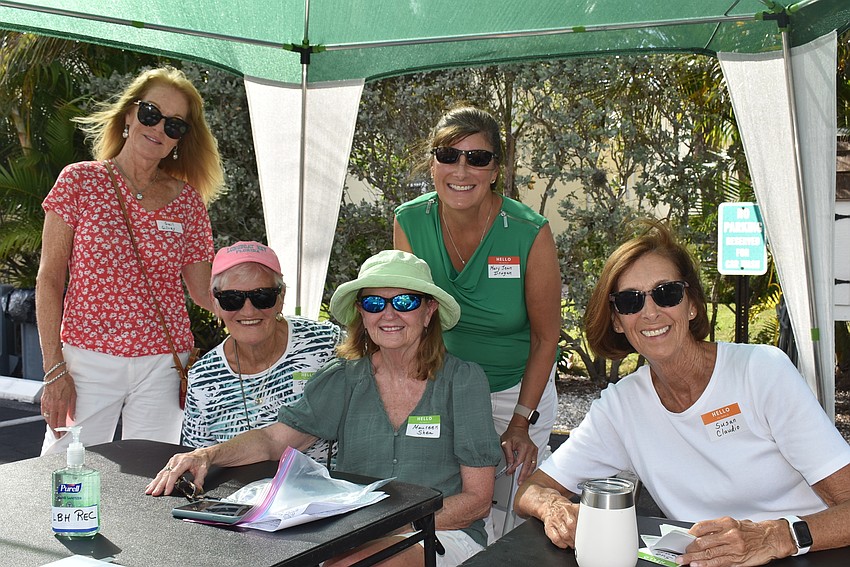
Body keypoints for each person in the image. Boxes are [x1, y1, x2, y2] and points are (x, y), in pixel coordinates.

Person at [515, 220, 850, 567]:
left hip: (805, 555)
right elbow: (530, 491)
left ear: (691, 305)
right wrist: (554, 508)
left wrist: (776, 536)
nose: (650, 312)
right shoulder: (622, 408)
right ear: (617, 321)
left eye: (666, 293)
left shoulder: (760, 371)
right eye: (630, 301)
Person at [147, 250, 502, 567]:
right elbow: (274, 439)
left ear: (429, 312)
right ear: (362, 314)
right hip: (356, 534)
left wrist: (394, 523)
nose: (389, 314)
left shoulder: (462, 381)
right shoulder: (345, 377)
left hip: (443, 530)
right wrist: (208, 455)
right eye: (375, 304)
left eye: (406, 302)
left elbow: (477, 501)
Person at [36, 66, 225, 455]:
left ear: (180, 140)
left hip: (164, 364)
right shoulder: (79, 181)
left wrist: (258, 303)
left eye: (175, 125)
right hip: (86, 362)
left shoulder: (187, 201)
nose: (159, 129)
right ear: (129, 114)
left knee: (151, 480)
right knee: (62, 476)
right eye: (151, 113)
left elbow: (204, 290)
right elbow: (49, 279)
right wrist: (55, 368)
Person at [394, 107, 561, 488]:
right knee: (439, 498)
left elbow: (546, 337)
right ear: (433, 163)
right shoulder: (410, 222)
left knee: (513, 507)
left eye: (478, 158)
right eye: (448, 156)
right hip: (442, 383)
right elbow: (408, 320)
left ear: (495, 170)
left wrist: (520, 422)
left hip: (516, 390)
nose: (461, 171)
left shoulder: (528, 232)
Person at [181, 241, 341, 462]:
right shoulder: (203, 377)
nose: (248, 311)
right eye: (232, 299)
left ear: (281, 297)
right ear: (214, 302)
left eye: (262, 296)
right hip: (237, 493)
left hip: (326, 490)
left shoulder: (327, 344)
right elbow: (195, 458)